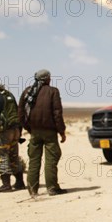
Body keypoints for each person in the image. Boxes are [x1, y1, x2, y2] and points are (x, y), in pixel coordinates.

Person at [18, 69, 67, 197]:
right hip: (49, 132)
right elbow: (57, 113)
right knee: (51, 159)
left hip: (34, 132)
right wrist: (62, 131)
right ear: (47, 79)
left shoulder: (27, 92)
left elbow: (21, 113)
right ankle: (52, 188)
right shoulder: (53, 91)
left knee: (34, 160)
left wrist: (29, 128)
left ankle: (32, 190)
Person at [0, 78, 25, 193]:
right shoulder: (8, 94)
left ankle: (6, 185)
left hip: (5, 131)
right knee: (14, 155)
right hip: (16, 129)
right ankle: (20, 182)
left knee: (1, 155)